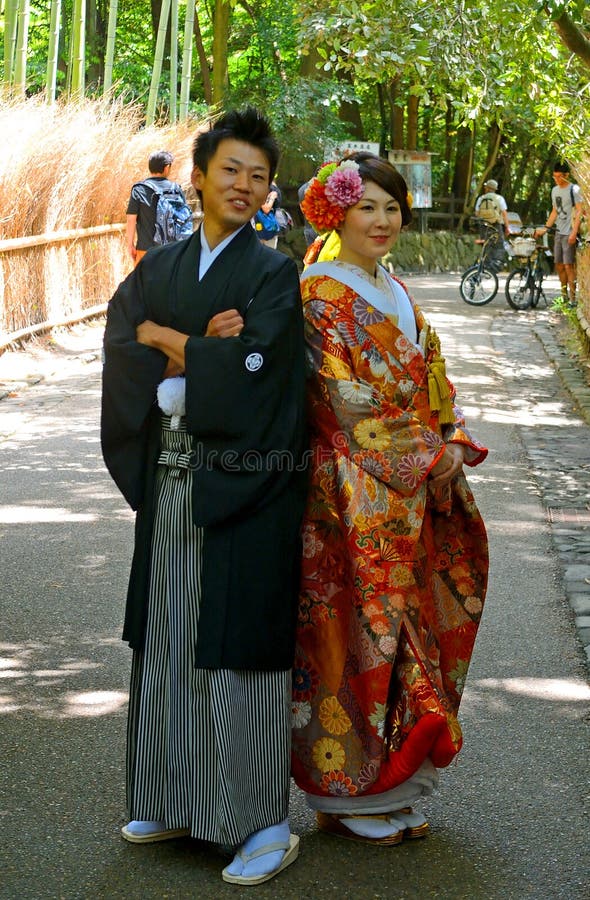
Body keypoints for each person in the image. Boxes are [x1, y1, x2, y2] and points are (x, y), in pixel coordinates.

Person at [101, 108, 307, 885]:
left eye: (258, 175)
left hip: (249, 482)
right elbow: (126, 340)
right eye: (231, 170)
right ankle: (170, 795)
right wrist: (186, 346)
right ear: (198, 176)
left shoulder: (272, 271)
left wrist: (176, 342)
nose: (244, 186)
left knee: (238, 652)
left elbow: (263, 367)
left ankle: (262, 822)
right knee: (168, 635)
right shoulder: (159, 267)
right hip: (171, 475)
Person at [293, 153, 489, 845]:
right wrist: (431, 453)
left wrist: (455, 438)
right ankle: (346, 793)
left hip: (409, 489)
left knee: (411, 639)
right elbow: (341, 401)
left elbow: (435, 378)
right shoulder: (319, 293)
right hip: (350, 493)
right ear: (336, 211)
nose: (381, 220)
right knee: (353, 638)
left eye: (391, 207)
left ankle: (392, 786)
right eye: (366, 206)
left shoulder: (394, 289)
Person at [125, 150, 189, 266]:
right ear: (167, 167)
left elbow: (131, 219)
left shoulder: (139, 189)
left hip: (145, 251)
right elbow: (184, 219)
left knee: (143, 284)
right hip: (171, 252)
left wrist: (130, 245)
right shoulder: (176, 189)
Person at [535, 161, 583, 305]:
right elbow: (555, 211)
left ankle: (573, 299)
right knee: (559, 265)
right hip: (558, 231)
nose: (556, 179)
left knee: (569, 265)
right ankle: (564, 296)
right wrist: (545, 228)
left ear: (566, 175)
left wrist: (574, 232)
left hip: (569, 231)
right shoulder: (554, 190)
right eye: (554, 177)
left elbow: (580, 211)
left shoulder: (574, 189)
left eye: (559, 177)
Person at [474, 178, 510, 272]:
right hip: (496, 224)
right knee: (498, 244)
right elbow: (504, 213)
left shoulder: (481, 198)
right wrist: (507, 227)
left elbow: (477, 213)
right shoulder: (499, 198)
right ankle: (496, 267)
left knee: (486, 244)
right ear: (495, 189)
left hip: (483, 225)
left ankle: (485, 265)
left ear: (487, 188)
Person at [254, 179, 281, 248]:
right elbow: (266, 209)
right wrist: (272, 198)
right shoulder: (270, 189)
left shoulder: (270, 189)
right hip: (267, 228)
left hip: (264, 227)